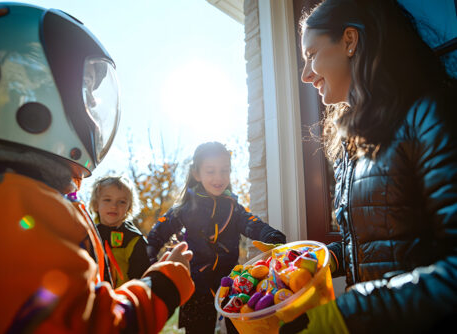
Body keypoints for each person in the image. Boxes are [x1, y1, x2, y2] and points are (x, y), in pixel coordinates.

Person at [0, 3, 194, 333]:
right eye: (84, 88)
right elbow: (87, 324)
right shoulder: (5, 199)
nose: (94, 105)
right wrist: (166, 282)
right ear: (26, 94)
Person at [279, 0, 457, 333]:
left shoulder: (428, 116)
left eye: (311, 55)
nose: (305, 75)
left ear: (349, 41)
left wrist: (351, 313)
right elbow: (382, 243)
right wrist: (319, 260)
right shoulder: (354, 144)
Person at [147, 141, 287, 333]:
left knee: (240, 328)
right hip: (196, 286)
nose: (218, 177)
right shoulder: (185, 208)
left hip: (232, 283)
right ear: (197, 174)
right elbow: (157, 233)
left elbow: (251, 223)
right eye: (211, 171)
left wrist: (269, 235)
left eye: (224, 171)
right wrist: (149, 256)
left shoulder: (233, 208)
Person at [89, 175, 151, 287]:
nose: (114, 206)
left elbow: (142, 277)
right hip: (93, 296)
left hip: (122, 298)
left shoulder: (133, 239)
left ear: (129, 208)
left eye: (121, 202)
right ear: (96, 204)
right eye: (107, 200)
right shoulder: (88, 234)